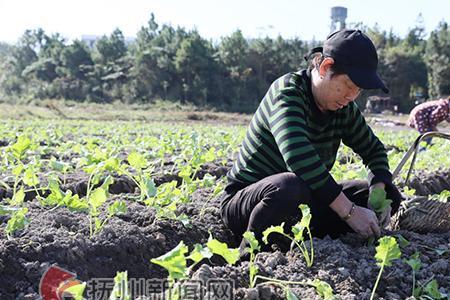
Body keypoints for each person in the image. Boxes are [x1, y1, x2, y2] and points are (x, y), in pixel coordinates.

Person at [219, 29, 403, 255]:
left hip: (303, 203)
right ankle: (251, 253)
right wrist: (349, 212)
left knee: (389, 195)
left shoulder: (343, 108)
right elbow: (298, 158)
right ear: (325, 68)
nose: (351, 96)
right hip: (252, 204)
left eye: (358, 90)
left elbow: (373, 150)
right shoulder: (288, 92)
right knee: (290, 186)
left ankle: (304, 239)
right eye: (348, 85)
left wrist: (378, 190)